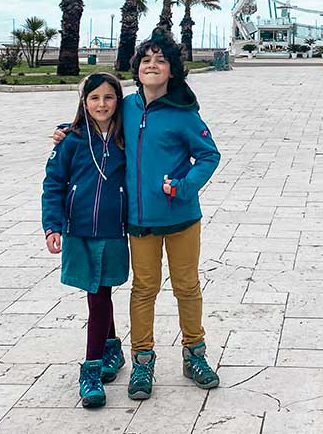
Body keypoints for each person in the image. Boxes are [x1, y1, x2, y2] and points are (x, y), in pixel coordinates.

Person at [54, 30, 221, 401]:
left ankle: (195, 354)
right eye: (146, 60)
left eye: (161, 60)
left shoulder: (184, 113)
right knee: (144, 289)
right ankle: (142, 359)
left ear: (172, 70)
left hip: (182, 220)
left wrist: (184, 184)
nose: (152, 65)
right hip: (139, 222)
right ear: (137, 68)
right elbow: (95, 122)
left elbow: (209, 155)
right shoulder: (127, 107)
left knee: (187, 287)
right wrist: (67, 130)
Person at [41, 73, 130, 409]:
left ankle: (91, 369)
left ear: (118, 101)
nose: (102, 105)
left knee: (99, 293)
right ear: (84, 102)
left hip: (112, 231)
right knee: (96, 291)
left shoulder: (125, 139)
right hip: (78, 230)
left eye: (109, 98)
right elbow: (53, 185)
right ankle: (110, 348)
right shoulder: (71, 141)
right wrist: (52, 226)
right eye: (94, 98)